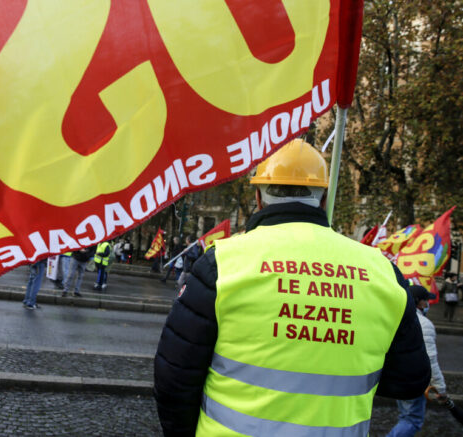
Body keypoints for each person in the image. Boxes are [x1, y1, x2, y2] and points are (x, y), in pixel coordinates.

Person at [154, 139, 430, 436]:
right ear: (325, 199)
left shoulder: (221, 263)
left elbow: (175, 377)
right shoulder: (383, 271)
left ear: (258, 198)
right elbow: (410, 380)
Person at [387, 285, 447, 436]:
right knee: (412, 420)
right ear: (419, 302)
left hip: (396, 377)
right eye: (426, 300)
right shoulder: (424, 324)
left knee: (405, 416)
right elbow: (430, 359)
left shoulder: (396, 317)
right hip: (414, 379)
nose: (428, 304)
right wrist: (440, 387)